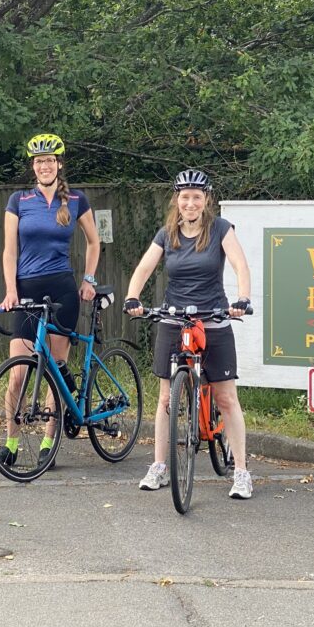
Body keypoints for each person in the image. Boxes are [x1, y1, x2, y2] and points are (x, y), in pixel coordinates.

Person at [123, 168, 253, 499]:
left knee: (226, 398)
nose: (191, 203)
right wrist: (132, 297)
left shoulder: (221, 229)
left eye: (197, 197)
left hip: (213, 318)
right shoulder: (167, 234)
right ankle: (159, 467)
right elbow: (144, 268)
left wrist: (242, 299)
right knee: (166, 399)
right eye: (185, 198)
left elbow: (239, 264)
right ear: (177, 201)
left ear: (206, 200)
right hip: (174, 318)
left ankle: (241, 472)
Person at [0, 134, 101, 468]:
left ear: (59, 164)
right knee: (18, 375)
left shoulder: (76, 199)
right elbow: (10, 250)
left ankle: (49, 442)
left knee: (54, 368)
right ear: (33, 166)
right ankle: (9, 443)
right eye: (39, 161)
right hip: (27, 290)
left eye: (50, 160)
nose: (45, 165)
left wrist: (88, 280)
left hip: (63, 290)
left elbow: (94, 243)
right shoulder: (18, 200)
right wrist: (11, 291)